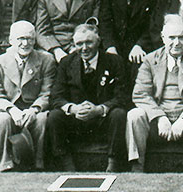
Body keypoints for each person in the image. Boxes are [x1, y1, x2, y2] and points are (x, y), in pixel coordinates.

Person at [127, 15, 183, 173]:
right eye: (172, 38)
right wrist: (160, 117)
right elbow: (140, 94)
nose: (177, 43)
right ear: (162, 37)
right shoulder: (150, 60)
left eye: (181, 37)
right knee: (135, 114)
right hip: (157, 124)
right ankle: (137, 167)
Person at [46, 23, 129, 172]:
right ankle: (66, 165)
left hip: (102, 119)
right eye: (79, 44)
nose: (84, 48)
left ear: (98, 41)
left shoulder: (114, 61)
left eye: (89, 42)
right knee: (54, 116)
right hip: (76, 121)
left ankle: (113, 164)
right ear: (74, 44)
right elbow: (56, 96)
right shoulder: (66, 63)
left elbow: (122, 96)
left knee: (119, 114)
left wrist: (99, 109)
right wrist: (73, 108)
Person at [0, 20, 55, 171]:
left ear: (35, 40)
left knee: (42, 119)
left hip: (32, 109)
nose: (25, 43)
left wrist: (34, 109)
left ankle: (38, 163)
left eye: (30, 38)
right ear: (11, 41)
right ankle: (4, 164)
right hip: (8, 111)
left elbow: (47, 93)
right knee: (2, 120)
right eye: (20, 39)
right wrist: (11, 110)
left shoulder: (46, 60)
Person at [98, 0, 157, 85]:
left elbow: (152, 25)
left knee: (138, 70)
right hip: (115, 45)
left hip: (138, 47)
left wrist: (140, 45)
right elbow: (105, 23)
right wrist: (110, 47)